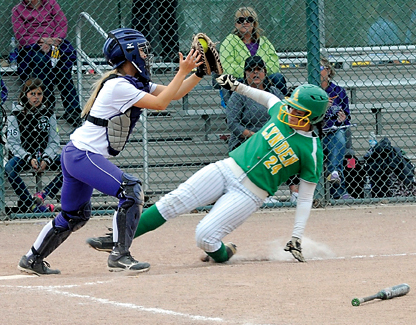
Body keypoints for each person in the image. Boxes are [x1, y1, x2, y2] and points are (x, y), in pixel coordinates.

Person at [17, 28, 203, 276]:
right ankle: (120, 255)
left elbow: (175, 93)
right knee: (130, 189)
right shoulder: (118, 86)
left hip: (77, 154)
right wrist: (182, 70)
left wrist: (199, 73)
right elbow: (160, 104)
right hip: (82, 155)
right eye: (141, 50)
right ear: (127, 54)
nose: (146, 55)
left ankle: (32, 258)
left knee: (75, 216)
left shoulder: (132, 82)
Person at [87, 75, 329, 264]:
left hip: (250, 194)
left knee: (203, 236)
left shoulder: (311, 149)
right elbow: (267, 98)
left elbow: (306, 197)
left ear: (312, 117)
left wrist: (296, 236)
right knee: (173, 200)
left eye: (298, 110)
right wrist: (237, 87)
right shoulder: (281, 112)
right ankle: (118, 240)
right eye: (291, 105)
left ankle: (223, 253)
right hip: (226, 168)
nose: (290, 111)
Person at [226, 55, 298, 203]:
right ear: (245, 74)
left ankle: (295, 192)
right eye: (251, 70)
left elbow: (284, 116)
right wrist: (255, 136)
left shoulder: (274, 92)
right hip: (246, 138)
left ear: (265, 72)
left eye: (259, 70)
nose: (255, 73)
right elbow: (233, 124)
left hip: (272, 136)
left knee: (290, 146)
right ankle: (263, 194)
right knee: (263, 148)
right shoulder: (239, 95)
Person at [11, 0, 82, 127]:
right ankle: (47, 106)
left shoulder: (51, 4)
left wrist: (53, 41)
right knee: (41, 61)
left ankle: (73, 111)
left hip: (55, 45)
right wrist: (42, 40)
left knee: (63, 70)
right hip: (31, 47)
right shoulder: (17, 10)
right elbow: (21, 36)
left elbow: (62, 24)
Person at [5, 78, 62, 213]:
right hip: (23, 156)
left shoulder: (49, 113)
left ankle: (43, 194)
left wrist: (47, 158)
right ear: (26, 94)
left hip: (45, 155)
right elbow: (13, 143)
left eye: (39, 94)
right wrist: (29, 157)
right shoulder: (15, 114)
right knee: (9, 168)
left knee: (71, 164)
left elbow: (54, 140)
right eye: (32, 94)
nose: (36, 98)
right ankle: (29, 202)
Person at [219, 6, 287, 106]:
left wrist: (259, 73)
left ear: (254, 23)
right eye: (241, 20)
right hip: (242, 80)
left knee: (278, 77)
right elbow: (228, 68)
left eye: (249, 19)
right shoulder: (229, 42)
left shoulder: (264, 42)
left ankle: (282, 107)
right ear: (235, 24)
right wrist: (250, 72)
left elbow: (274, 65)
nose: (245, 22)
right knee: (231, 82)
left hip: (264, 80)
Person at [319, 57, 352, 200]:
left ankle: (334, 174)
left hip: (333, 132)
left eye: (320, 69)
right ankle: (338, 187)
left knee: (338, 137)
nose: (317, 72)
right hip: (316, 135)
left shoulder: (338, 91)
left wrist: (343, 118)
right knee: (337, 142)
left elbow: (347, 116)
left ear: (328, 71)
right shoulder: (309, 91)